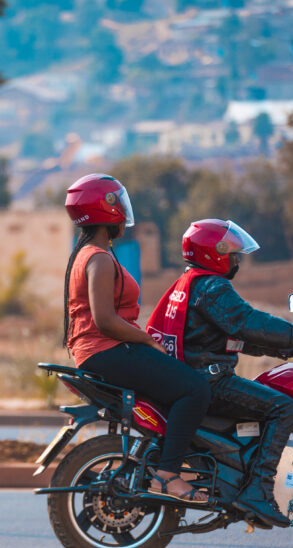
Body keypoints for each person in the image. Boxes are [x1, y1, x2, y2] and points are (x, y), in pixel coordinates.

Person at [147, 219, 293, 528]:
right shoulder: (213, 286)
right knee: (283, 406)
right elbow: (251, 323)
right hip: (210, 380)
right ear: (215, 253)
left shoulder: (190, 281)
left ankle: (243, 478)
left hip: (191, 376)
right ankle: (258, 490)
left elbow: (237, 338)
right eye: (233, 254)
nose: (237, 261)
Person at [63, 174, 211, 503]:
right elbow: (105, 320)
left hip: (98, 350)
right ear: (107, 210)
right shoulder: (99, 259)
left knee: (177, 386)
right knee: (195, 388)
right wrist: (146, 341)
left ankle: (171, 460)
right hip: (106, 350)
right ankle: (168, 475)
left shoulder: (88, 254)